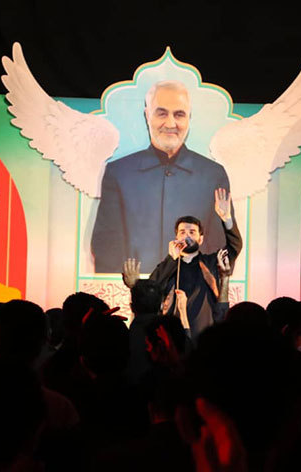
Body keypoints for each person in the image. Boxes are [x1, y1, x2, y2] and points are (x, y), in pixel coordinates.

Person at [91, 80, 232, 273]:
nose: (171, 124)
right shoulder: (119, 172)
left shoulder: (213, 175)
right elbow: (106, 246)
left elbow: (222, 247)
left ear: (189, 118)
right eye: (162, 113)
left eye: (179, 114)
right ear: (147, 115)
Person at [145, 188, 241, 338]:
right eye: (182, 232)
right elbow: (150, 290)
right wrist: (171, 259)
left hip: (205, 334)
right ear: (176, 238)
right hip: (172, 336)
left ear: (200, 239)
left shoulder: (212, 262)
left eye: (192, 232)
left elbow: (235, 246)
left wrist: (227, 219)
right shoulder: (169, 265)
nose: (187, 236)